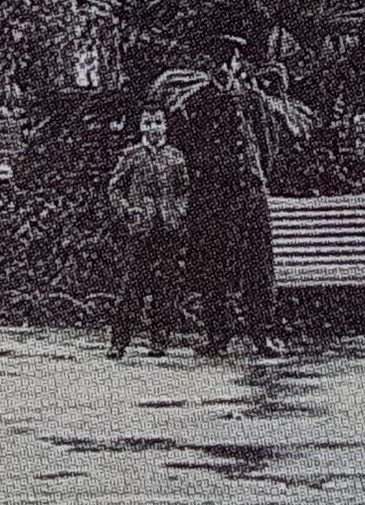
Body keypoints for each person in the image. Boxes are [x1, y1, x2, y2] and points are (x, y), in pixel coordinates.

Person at [169, 36, 277, 356]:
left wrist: (257, 176)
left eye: (228, 60)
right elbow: (187, 148)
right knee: (215, 264)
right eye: (216, 62)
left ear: (237, 63)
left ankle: (260, 334)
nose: (223, 68)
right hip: (214, 194)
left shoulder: (253, 99)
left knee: (258, 264)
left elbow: (266, 145)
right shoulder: (197, 102)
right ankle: (217, 336)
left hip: (249, 191)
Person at [105, 101, 188, 358]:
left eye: (158, 122)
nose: (154, 128)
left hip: (167, 229)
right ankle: (119, 342)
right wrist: (128, 211)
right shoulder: (132, 156)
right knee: (132, 287)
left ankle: (159, 341)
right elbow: (115, 188)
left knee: (166, 287)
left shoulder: (175, 156)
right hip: (140, 229)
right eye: (148, 122)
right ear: (141, 126)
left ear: (165, 126)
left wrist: (177, 212)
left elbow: (184, 191)